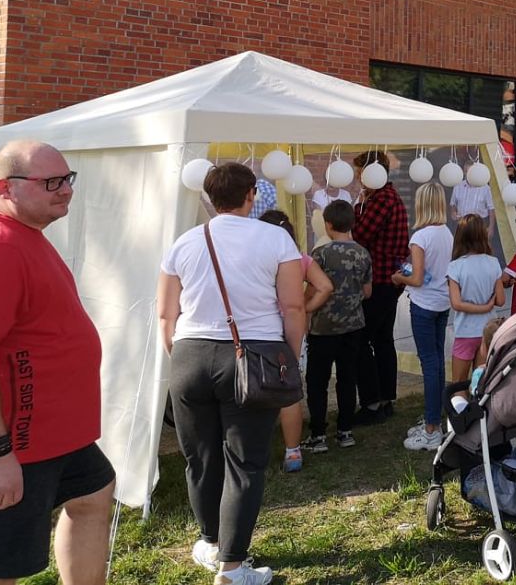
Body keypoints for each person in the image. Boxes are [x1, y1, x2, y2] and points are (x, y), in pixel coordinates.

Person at [158, 162, 305, 585]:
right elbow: (292, 306)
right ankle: (232, 566)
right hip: (254, 354)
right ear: (250, 195)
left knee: (200, 459)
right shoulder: (275, 238)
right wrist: (289, 357)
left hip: (189, 354)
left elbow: (166, 313)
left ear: (208, 196)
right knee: (245, 463)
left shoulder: (184, 242)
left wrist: (179, 356)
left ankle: (210, 542)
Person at [0, 141, 114, 585]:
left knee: (93, 492)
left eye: (67, 179)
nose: (65, 190)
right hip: (18, 439)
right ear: (6, 188)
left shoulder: (25, 234)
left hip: (56, 433)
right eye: (51, 182)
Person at [256, 210, 333, 473]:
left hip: (259, 329)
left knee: (255, 388)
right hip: (294, 328)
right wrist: (306, 308)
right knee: (288, 390)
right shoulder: (300, 259)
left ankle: (256, 448)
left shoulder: (254, 257)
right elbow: (325, 286)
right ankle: (293, 452)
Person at [302, 201, 371, 456]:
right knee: (347, 378)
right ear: (351, 224)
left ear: (328, 225)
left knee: (317, 381)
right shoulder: (363, 253)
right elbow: (367, 291)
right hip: (353, 327)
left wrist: (304, 310)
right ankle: (345, 431)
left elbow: (312, 289)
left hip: (323, 328)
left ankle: (318, 434)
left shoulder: (320, 254)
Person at [350, 150, 409, 426]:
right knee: (384, 340)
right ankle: (386, 400)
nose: (358, 178)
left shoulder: (381, 200)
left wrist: (357, 207)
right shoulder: (390, 197)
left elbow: (359, 234)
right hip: (389, 279)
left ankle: (372, 403)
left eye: (360, 172)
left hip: (379, 280)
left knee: (362, 340)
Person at [403, 184, 454, 452]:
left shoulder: (420, 237)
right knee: (437, 361)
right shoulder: (446, 232)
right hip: (442, 302)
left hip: (423, 304)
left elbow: (417, 278)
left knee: (430, 364)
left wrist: (398, 277)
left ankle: (432, 428)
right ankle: (434, 417)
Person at [446, 215, 504, 406]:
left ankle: (459, 418)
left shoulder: (455, 267)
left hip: (465, 331)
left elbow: (456, 303)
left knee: (458, 385)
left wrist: (479, 307)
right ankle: (482, 418)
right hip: (487, 332)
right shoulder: (493, 262)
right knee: (483, 383)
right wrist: (486, 306)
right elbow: (501, 300)